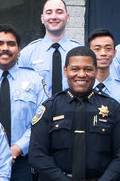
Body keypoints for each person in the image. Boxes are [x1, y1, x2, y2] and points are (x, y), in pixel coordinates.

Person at [29, 46, 120, 181]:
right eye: (75, 69)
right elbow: (37, 155)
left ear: (95, 70)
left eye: (88, 69)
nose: (81, 74)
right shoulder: (50, 107)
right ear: (66, 71)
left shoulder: (112, 108)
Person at [0, 24, 47, 181]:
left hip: (24, 162)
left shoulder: (35, 80)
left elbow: (42, 121)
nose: (5, 48)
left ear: (18, 49)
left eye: (11, 44)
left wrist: (17, 148)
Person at [19, 0, 81, 96]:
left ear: (67, 17)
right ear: (42, 18)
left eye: (59, 12)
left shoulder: (79, 51)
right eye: (49, 12)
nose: (54, 16)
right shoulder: (27, 53)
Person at [88, 28, 120, 102]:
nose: (103, 53)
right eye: (97, 49)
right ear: (89, 52)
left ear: (114, 53)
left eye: (108, 48)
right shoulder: (81, 87)